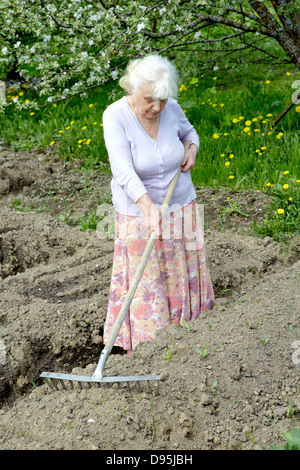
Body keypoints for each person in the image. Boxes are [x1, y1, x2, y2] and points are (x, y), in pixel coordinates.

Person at [102, 54, 215, 354]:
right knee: (147, 277)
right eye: (150, 99)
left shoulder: (171, 109)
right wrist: (149, 209)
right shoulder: (115, 116)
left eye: (162, 100)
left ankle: (190, 329)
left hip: (181, 205)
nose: (157, 107)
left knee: (181, 269)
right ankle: (147, 346)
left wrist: (192, 149)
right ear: (131, 88)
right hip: (138, 212)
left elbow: (190, 133)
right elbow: (123, 170)